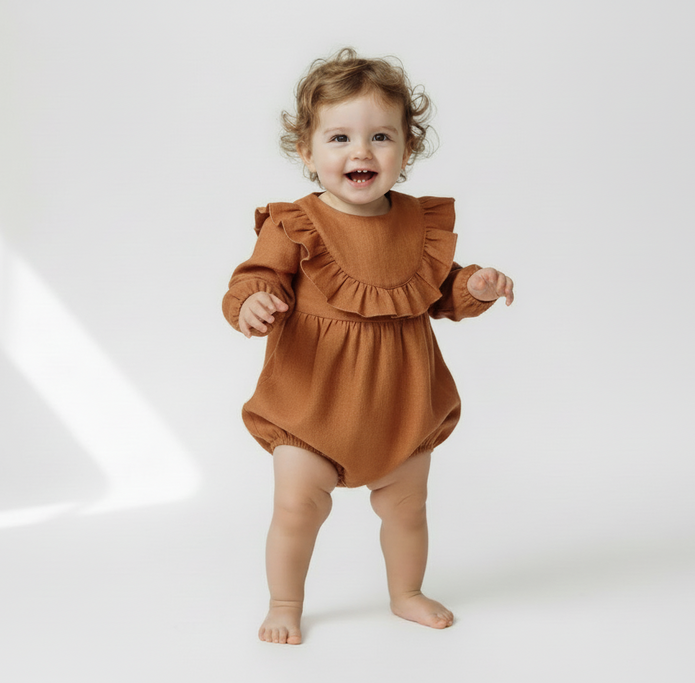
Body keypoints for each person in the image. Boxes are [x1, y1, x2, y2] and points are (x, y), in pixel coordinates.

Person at [222, 47, 515, 645]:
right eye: (339, 138)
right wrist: (252, 302)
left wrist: (474, 286)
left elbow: (442, 291)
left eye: (381, 136)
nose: (361, 152)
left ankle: (406, 593)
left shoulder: (417, 226)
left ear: (407, 151)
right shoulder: (295, 224)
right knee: (297, 508)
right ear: (307, 152)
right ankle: (285, 602)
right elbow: (255, 278)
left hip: (400, 407)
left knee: (408, 508)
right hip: (311, 405)